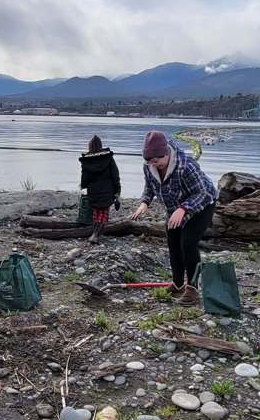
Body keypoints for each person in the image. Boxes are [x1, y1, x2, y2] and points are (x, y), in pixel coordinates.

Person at [128, 130, 217, 306]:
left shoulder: (186, 165)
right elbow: (150, 187)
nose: (154, 164)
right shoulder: (149, 166)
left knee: (188, 243)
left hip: (202, 205)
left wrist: (184, 208)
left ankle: (192, 289)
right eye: (149, 161)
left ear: (167, 153)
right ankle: (177, 284)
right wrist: (145, 202)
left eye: (157, 160)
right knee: (173, 243)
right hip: (175, 209)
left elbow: (202, 192)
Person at [79, 134, 121, 244]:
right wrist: (118, 191)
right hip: (108, 191)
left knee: (96, 212)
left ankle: (94, 233)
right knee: (103, 214)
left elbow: (84, 179)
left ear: (90, 147)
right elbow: (115, 176)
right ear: (100, 145)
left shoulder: (86, 161)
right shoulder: (108, 158)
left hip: (93, 192)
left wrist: (83, 188)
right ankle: (96, 235)